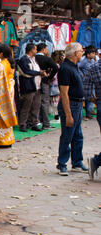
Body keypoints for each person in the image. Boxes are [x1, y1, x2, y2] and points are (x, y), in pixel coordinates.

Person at [56, 42, 88, 176]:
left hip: (78, 104)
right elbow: (64, 93)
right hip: (71, 105)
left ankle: (77, 162)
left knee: (78, 135)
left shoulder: (74, 66)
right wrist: (68, 114)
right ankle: (62, 163)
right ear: (75, 53)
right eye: (81, 51)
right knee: (67, 135)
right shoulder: (65, 68)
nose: (82, 53)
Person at [17, 43, 48, 132]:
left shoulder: (34, 59)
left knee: (36, 106)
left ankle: (34, 123)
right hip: (29, 86)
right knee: (26, 106)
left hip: (37, 86)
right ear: (31, 50)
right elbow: (27, 72)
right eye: (35, 49)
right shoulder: (24, 59)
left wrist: (40, 73)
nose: (36, 50)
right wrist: (39, 73)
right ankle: (23, 124)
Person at [83, 57, 101, 180]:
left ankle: (96, 161)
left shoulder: (92, 67)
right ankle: (96, 161)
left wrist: (94, 99)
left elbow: (87, 91)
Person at [35, 42, 59, 130]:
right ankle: (46, 123)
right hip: (44, 81)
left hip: (34, 82)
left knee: (36, 102)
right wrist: (50, 76)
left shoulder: (33, 58)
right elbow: (56, 68)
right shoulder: (46, 59)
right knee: (45, 102)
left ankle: (36, 121)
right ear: (44, 49)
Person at [78, 45, 98, 119]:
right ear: (88, 54)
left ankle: (89, 113)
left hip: (92, 82)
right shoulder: (84, 61)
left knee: (90, 97)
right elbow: (77, 67)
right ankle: (87, 114)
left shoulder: (93, 61)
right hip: (85, 82)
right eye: (92, 53)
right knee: (86, 98)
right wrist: (82, 75)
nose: (94, 55)